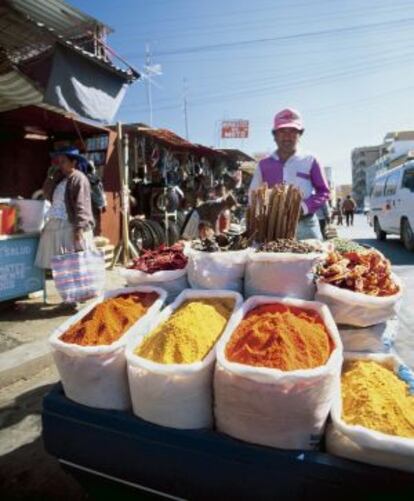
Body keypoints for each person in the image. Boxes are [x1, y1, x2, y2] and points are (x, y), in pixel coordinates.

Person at [249, 108, 330, 240]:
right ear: (274, 135)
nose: (287, 136)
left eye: (293, 131)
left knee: (313, 259)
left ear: (300, 134)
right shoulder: (263, 165)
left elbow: (324, 192)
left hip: (306, 226)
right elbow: (253, 196)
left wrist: (303, 207)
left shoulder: (310, 160)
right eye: (282, 131)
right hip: (272, 228)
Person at [35, 147, 95, 272]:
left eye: (63, 161)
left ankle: (78, 289)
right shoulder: (60, 178)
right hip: (55, 223)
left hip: (69, 225)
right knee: (61, 267)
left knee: (73, 265)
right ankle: (65, 287)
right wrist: (50, 177)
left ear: (73, 163)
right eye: (59, 162)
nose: (60, 165)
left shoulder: (79, 179)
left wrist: (79, 228)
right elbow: (47, 194)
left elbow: (82, 204)